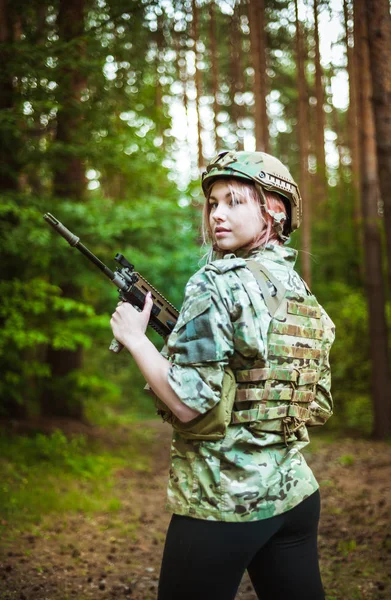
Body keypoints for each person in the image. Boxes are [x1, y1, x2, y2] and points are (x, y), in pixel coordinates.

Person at [110, 150, 335, 600]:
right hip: (294, 495)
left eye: (235, 201)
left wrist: (137, 338)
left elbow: (190, 404)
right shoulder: (298, 288)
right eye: (213, 203)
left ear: (274, 210)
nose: (218, 215)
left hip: (222, 501)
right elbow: (320, 402)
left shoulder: (216, 282)